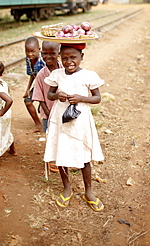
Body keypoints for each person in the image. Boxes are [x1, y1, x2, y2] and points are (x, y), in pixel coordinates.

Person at [44, 43, 104, 211]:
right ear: (60, 59)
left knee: (84, 155)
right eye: (64, 58)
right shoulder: (57, 74)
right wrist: (57, 95)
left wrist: (81, 98)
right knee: (61, 151)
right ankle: (67, 188)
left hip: (80, 120)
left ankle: (89, 191)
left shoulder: (89, 75)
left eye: (73, 58)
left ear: (81, 57)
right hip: (60, 118)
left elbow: (97, 98)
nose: (68, 61)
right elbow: (50, 94)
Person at [32, 41, 62, 173]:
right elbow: (40, 98)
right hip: (48, 112)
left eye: (52, 54)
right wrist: (49, 114)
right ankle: (52, 160)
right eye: (44, 53)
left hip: (63, 111)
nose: (48, 57)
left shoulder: (64, 70)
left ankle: (63, 157)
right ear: (40, 53)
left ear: (59, 54)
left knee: (63, 134)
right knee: (51, 136)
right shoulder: (41, 75)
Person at [23, 36, 45, 133]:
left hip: (48, 86)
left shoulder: (43, 61)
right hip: (38, 85)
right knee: (27, 101)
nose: (30, 54)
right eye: (27, 51)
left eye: (33, 51)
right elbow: (32, 75)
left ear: (39, 50)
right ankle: (38, 124)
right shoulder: (28, 60)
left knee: (44, 107)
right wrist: (28, 89)